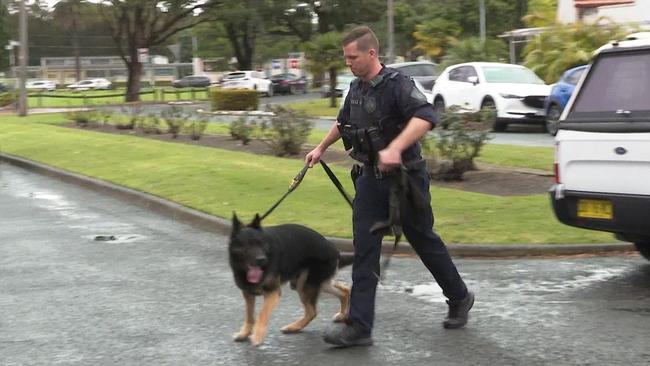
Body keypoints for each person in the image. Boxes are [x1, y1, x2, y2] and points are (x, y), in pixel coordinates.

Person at [305, 26, 474, 348]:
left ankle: (459, 297)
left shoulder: (398, 84)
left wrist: (396, 148)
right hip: (369, 179)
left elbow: (425, 116)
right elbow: (343, 122)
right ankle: (359, 327)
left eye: (352, 57)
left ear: (371, 53)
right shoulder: (356, 88)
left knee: (423, 240)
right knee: (365, 251)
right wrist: (321, 148)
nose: (348, 63)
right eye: (345, 58)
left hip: (405, 180)